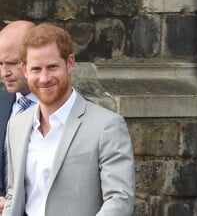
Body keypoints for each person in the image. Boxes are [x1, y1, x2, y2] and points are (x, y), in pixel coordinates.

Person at [3, 23, 135, 216]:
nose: (44, 78)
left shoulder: (107, 126)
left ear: (70, 63)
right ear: (25, 70)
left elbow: (120, 200)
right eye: (36, 69)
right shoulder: (16, 125)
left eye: (52, 67)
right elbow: (14, 195)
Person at [0, 21, 37, 215]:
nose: (4, 73)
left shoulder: (69, 111)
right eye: (0, 63)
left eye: (12, 63)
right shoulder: (1, 103)